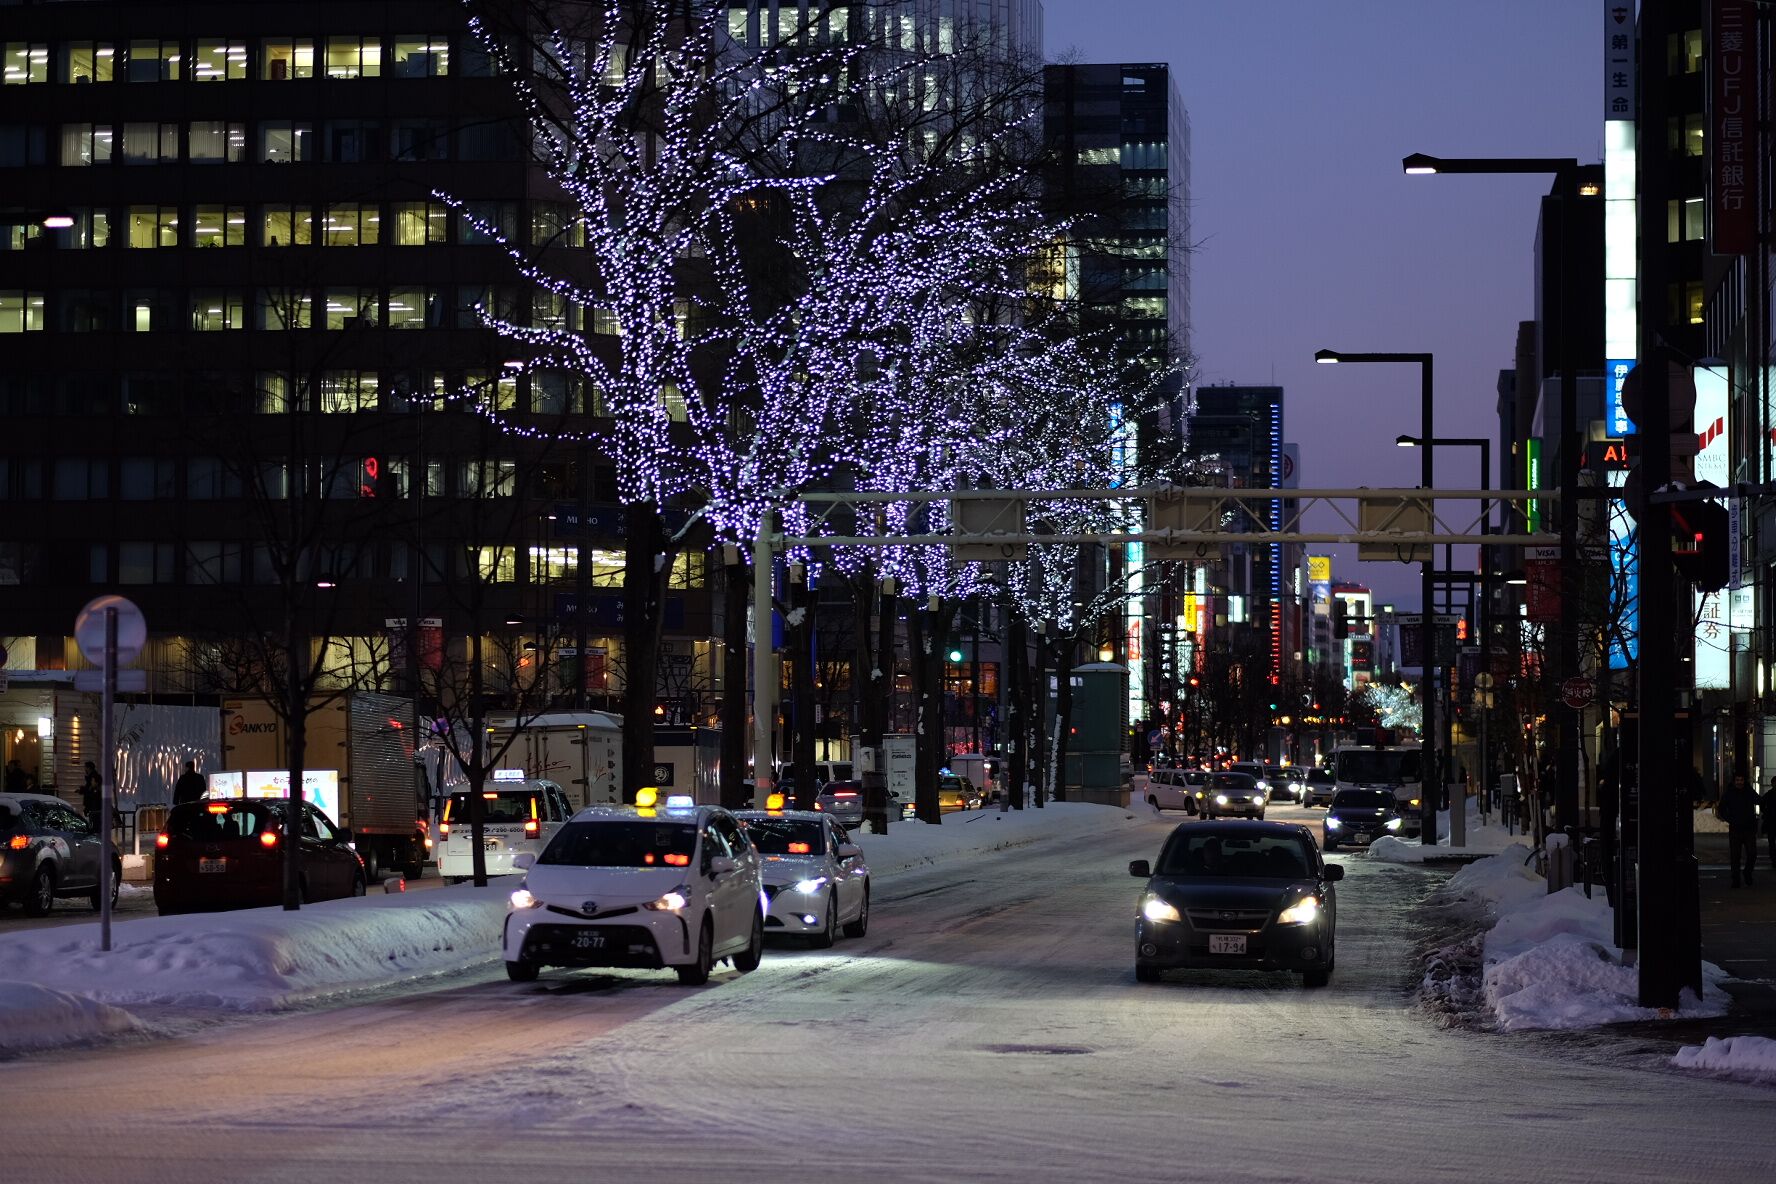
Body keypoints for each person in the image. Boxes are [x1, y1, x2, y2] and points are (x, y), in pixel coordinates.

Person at [1719, 771, 1759, 888]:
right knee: (1735, 856)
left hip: (1749, 829)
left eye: (1741, 780)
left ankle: (1747, 872)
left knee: (1752, 853)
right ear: (1734, 781)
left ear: (1744, 781)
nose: (1739, 782)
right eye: (1737, 780)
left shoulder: (1748, 791)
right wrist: (1730, 819)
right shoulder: (1729, 793)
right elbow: (1722, 808)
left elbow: (1759, 800)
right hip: (1736, 829)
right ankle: (1736, 879)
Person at [1761, 777, 1776, 874]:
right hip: (1771, 821)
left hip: (1771, 821)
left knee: (1772, 842)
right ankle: (1774, 859)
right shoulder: (1769, 795)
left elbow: (1762, 804)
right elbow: (1762, 804)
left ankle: (1774, 859)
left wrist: (1766, 812)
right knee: (1771, 842)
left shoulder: (1768, 795)